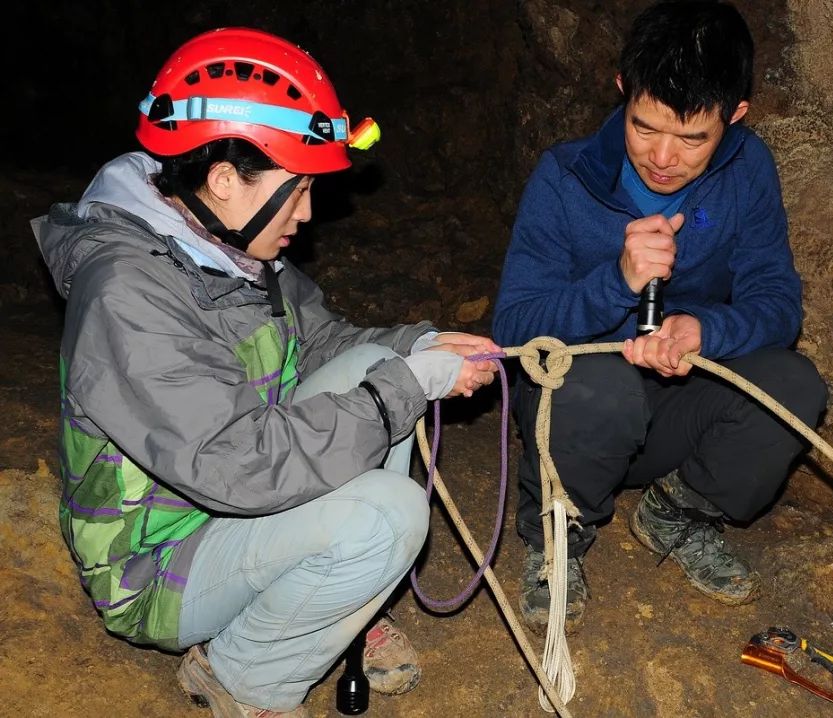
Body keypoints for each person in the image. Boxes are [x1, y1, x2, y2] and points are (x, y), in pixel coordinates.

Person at [33, 28, 499, 718]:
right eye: (298, 188)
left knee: (381, 365)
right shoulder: (127, 294)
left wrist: (421, 346)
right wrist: (409, 386)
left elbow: (328, 344)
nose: (308, 213)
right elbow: (240, 464)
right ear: (224, 180)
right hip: (155, 561)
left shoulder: (224, 248)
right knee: (390, 514)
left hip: (225, 511)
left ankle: (322, 602)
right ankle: (246, 680)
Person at [492, 0, 828, 634]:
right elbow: (512, 327)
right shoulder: (565, 178)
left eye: (693, 137)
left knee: (794, 386)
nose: (664, 157)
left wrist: (706, 331)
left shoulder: (747, 171)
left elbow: (777, 303)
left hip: (676, 413)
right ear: (623, 90)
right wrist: (615, 283)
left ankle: (678, 510)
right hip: (582, 415)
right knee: (597, 386)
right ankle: (559, 536)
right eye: (644, 127)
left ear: (735, 115)